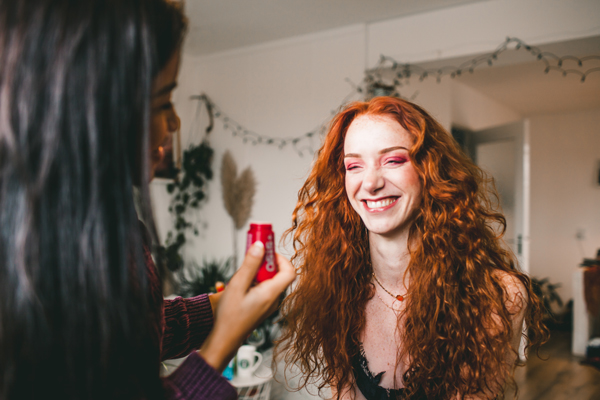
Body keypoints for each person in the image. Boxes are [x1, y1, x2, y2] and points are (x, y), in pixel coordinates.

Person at [0, 0, 295, 399]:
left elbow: (138, 331)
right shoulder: (31, 268)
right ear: (94, 115)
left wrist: (218, 307)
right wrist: (222, 342)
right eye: (162, 102)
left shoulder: (114, 229)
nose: (173, 123)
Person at [276, 97, 548, 399]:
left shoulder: (497, 296)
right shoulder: (337, 288)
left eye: (393, 160)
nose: (371, 182)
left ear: (430, 171)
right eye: (353, 165)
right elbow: (344, 394)